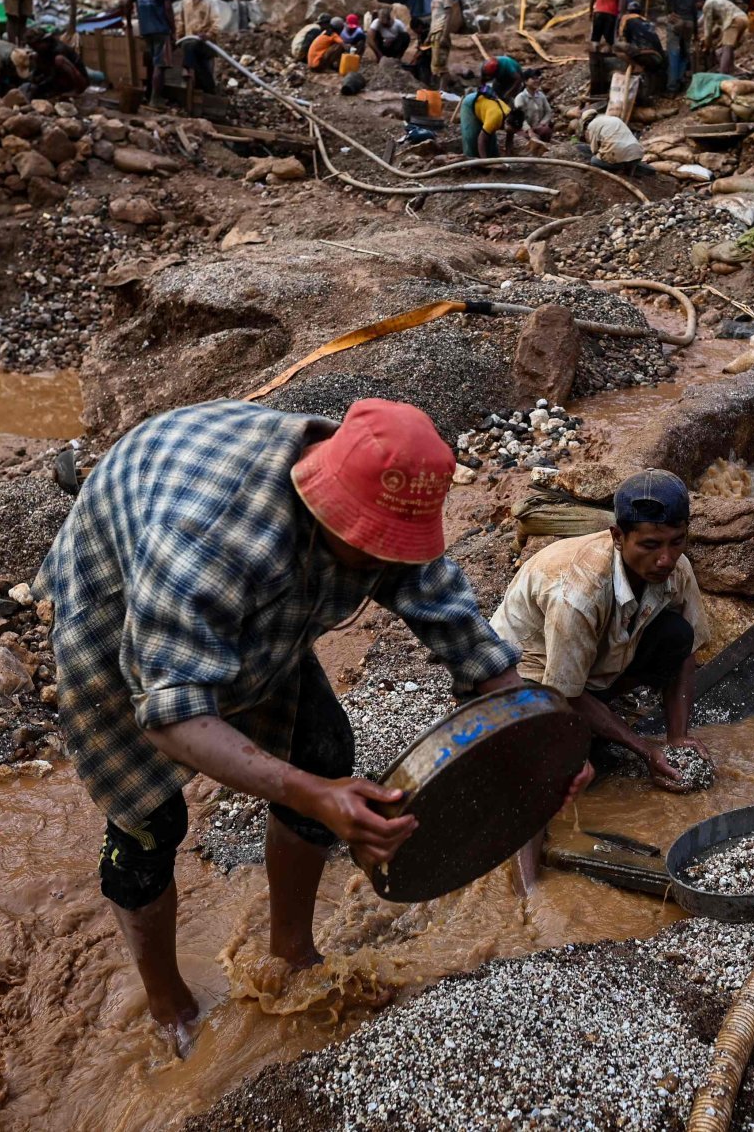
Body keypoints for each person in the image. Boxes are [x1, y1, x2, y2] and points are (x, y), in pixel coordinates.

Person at [39, 398, 590, 1053]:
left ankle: (292, 951)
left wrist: (538, 743)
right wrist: (310, 795)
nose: (378, 563)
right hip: (118, 615)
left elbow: (459, 629)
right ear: (319, 500)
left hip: (259, 606)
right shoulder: (207, 538)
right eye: (362, 548)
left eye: (391, 549)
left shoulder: (389, 497)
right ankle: (167, 1003)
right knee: (148, 826)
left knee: (326, 750)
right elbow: (171, 715)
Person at [491, 470, 710, 794]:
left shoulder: (675, 569)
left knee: (676, 634)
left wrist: (677, 737)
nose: (665, 559)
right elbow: (565, 691)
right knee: (555, 760)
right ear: (618, 537)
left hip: (591, 665)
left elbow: (687, 649)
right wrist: (644, 749)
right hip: (529, 675)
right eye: (650, 545)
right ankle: (593, 722)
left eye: (676, 542)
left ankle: (601, 715)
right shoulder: (578, 593)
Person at [125, 0, 177, 106]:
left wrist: (128, 22)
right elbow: (168, 7)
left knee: (150, 63)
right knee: (159, 65)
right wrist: (173, 29)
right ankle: (155, 99)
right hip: (161, 29)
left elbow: (127, 4)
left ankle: (147, 95)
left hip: (145, 29)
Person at [174, 0, 224, 108]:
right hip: (188, 42)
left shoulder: (210, 2)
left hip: (205, 43)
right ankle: (208, 89)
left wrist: (208, 34)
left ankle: (187, 68)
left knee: (191, 49)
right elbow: (180, 22)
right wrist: (178, 37)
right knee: (192, 52)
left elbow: (217, 22)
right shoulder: (185, 2)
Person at [616, 0, 667, 91]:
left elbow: (622, 37)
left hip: (641, 53)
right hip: (658, 57)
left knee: (616, 48)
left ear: (628, 11)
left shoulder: (626, 18)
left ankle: (636, 66)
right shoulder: (647, 21)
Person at [23, 29, 88, 100]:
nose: (34, 48)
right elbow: (39, 71)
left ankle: (76, 90)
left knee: (59, 60)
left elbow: (53, 75)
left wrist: (42, 84)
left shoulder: (59, 50)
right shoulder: (42, 52)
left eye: (34, 46)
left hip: (79, 81)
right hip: (60, 81)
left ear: (42, 41)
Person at [460, 75, 512, 158]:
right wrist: (485, 162)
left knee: (491, 144)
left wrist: (508, 158)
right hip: (472, 104)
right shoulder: (495, 118)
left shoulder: (511, 117)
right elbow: (482, 139)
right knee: (471, 137)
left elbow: (510, 137)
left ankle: (491, 158)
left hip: (486, 108)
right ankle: (472, 163)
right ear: (506, 122)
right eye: (510, 129)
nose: (511, 131)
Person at [662, 0, 698, 91]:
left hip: (677, 21)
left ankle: (672, 87)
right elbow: (694, 12)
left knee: (674, 53)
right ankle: (680, 79)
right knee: (684, 52)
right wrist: (696, 33)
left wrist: (669, 10)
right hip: (689, 23)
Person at [699, 0, 749, 75]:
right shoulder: (714, 2)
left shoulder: (707, 6)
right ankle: (732, 68)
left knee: (727, 47)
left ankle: (723, 74)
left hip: (733, 20)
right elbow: (709, 25)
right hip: (744, 19)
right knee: (728, 48)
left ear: (699, 1)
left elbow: (708, 30)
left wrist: (707, 46)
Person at [514, 72, 556, 149]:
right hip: (523, 129)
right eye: (533, 79)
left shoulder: (541, 95)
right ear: (526, 81)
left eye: (537, 78)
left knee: (546, 130)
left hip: (537, 126)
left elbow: (548, 111)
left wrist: (542, 123)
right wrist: (529, 130)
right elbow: (520, 117)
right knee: (524, 139)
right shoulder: (520, 97)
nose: (536, 81)